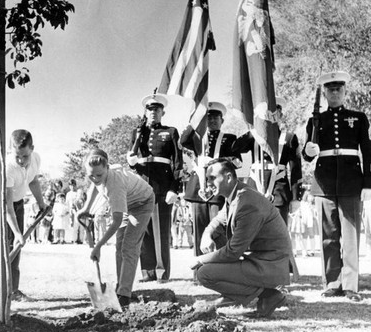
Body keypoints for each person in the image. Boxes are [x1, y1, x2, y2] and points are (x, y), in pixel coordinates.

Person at [303, 71, 371, 302]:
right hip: (324, 182)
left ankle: (351, 285)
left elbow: (367, 149)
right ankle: (332, 283)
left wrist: (368, 182)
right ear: (324, 93)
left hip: (351, 181)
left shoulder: (358, 117)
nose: (334, 93)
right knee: (328, 236)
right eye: (330, 90)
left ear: (344, 92)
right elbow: (307, 154)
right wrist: (308, 151)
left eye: (338, 89)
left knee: (351, 236)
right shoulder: (315, 120)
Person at [190, 158, 292, 318]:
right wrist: (206, 234)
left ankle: (268, 295)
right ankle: (259, 297)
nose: (207, 182)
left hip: (267, 264)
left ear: (229, 177)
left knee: (204, 273)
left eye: (212, 178)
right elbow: (220, 219)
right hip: (259, 260)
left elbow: (233, 252)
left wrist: (201, 259)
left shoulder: (246, 202)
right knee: (207, 268)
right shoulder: (237, 194)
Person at [232, 96, 302, 279]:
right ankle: (257, 269)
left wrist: (296, 197)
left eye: (275, 112)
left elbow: (295, 169)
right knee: (254, 232)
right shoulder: (254, 136)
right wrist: (251, 128)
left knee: (279, 233)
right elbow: (234, 148)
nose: (271, 116)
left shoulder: (289, 137)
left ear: (280, 114)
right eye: (267, 112)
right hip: (256, 188)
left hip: (278, 190)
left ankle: (282, 271)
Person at [78, 148, 155, 307]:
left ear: (107, 167)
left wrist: (98, 246)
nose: (95, 178)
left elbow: (116, 221)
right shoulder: (99, 176)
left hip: (142, 203)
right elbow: (95, 187)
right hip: (127, 203)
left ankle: (124, 295)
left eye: (99, 175)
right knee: (119, 246)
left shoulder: (115, 185)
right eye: (91, 175)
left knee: (129, 246)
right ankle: (121, 287)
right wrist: (86, 208)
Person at [126, 93, 183, 282]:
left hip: (162, 187)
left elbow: (177, 163)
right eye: (150, 110)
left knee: (161, 232)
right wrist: (131, 162)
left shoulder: (171, 132)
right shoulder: (137, 133)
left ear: (162, 112)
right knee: (144, 230)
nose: (153, 113)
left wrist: (174, 188)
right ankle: (147, 271)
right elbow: (134, 162)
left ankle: (162, 271)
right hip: (142, 187)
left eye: (156, 110)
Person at [0, 129, 47, 303]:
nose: (21, 160)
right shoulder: (7, 167)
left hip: (18, 200)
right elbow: (7, 207)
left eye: (25, 156)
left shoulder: (36, 159)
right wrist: (18, 233)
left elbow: (33, 181)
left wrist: (41, 203)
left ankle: (12, 290)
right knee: (2, 244)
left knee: (16, 247)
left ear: (32, 148)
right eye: (17, 156)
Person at [180, 102, 241, 262]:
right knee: (199, 229)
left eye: (216, 117)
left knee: (219, 229)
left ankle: (220, 265)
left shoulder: (229, 139)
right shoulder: (196, 138)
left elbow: (237, 162)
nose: (212, 121)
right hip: (198, 189)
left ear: (222, 120)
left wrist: (218, 160)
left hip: (218, 189)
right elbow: (183, 140)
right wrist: (194, 121)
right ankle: (200, 267)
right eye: (209, 118)